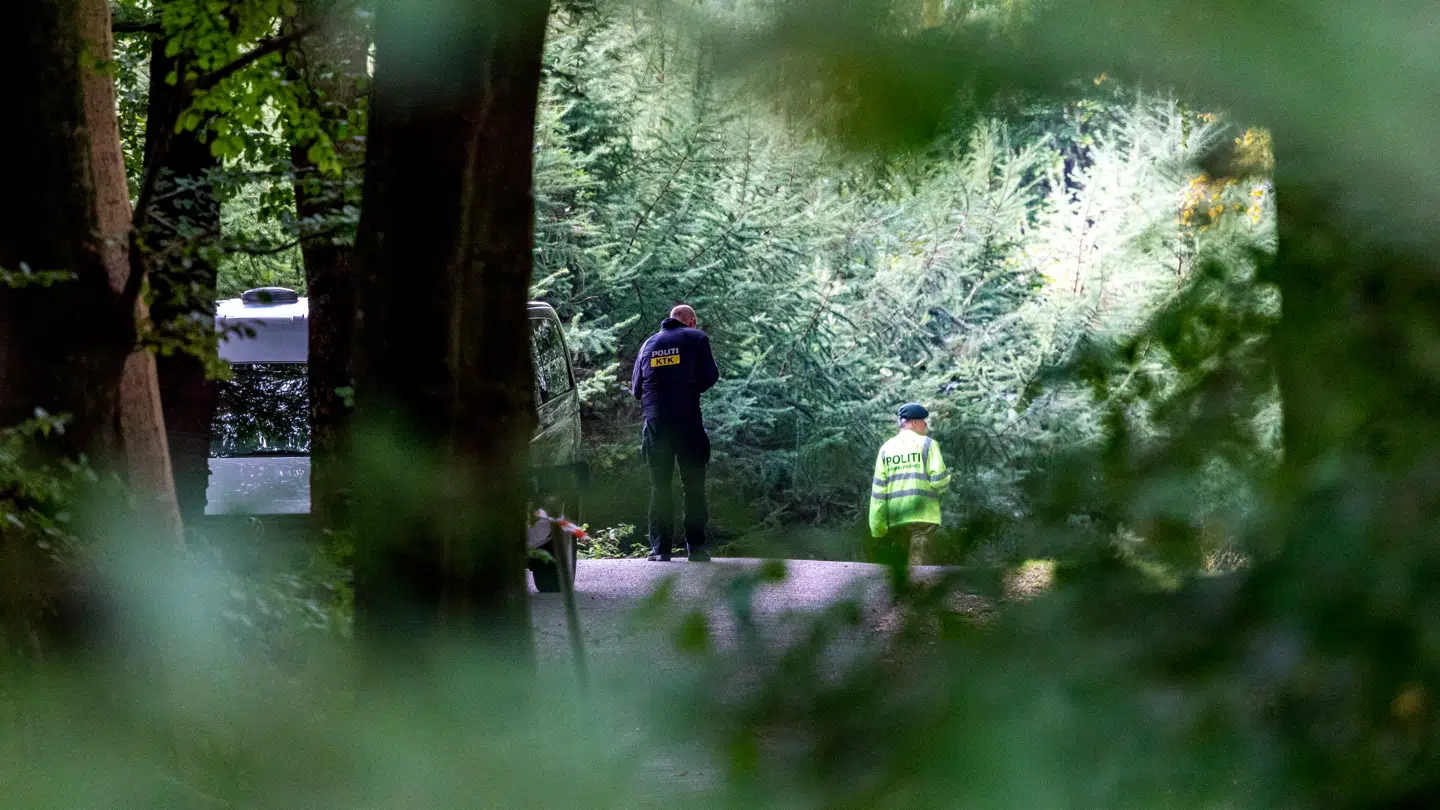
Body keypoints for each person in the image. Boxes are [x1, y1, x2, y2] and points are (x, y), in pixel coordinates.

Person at [632, 304, 720, 562]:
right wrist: (687, 387)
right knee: (693, 485)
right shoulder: (696, 337)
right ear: (691, 320)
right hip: (688, 421)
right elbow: (710, 376)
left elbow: (637, 389)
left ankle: (661, 550)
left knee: (659, 487)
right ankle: (696, 548)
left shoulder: (647, 344)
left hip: (656, 424)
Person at [869, 403, 950, 566]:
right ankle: (918, 590)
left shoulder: (886, 448)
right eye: (923, 421)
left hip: (896, 518)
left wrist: (877, 526)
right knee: (919, 568)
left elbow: (878, 491)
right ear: (914, 423)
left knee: (899, 569)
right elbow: (939, 480)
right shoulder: (928, 444)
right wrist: (944, 484)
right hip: (923, 516)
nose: (926, 425)